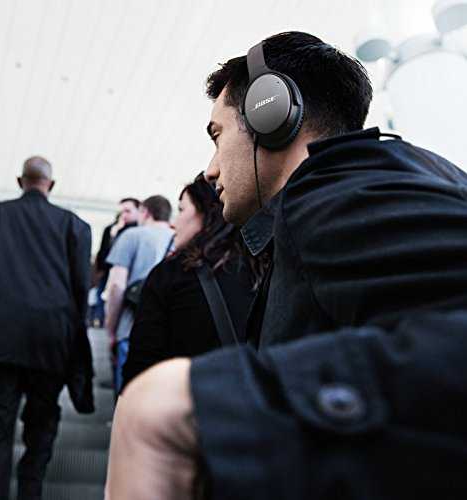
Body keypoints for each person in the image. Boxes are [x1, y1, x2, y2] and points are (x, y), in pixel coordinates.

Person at [105, 31, 467, 499]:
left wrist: (208, 404)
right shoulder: (383, 181)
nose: (210, 170)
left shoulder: (336, 194)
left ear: (271, 114)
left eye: (217, 136)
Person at [0, 156, 93, 500]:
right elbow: (81, 290)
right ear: (51, 185)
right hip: (50, 341)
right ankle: (30, 491)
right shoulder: (75, 226)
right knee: (41, 426)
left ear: (20, 181)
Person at [120, 175, 259, 389]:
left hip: (180, 402)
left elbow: (140, 367)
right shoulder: (261, 269)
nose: (174, 223)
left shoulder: (172, 273)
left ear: (207, 214)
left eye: (181, 210)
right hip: (242, 402)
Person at [105, 195, 174, 394]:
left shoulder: (131, 236)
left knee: (127, 396)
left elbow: (117, 285)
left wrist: (111, 330)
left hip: (130, 329)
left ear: (145, 212)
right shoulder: (179, 238)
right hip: (166, 335)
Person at [92, 198, 140, 327]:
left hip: (129, 275)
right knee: (102, 296)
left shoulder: (139, 231)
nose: (123, 215)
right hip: (108, 270)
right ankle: (100, 320)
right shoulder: (111, 229)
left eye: (127, 211)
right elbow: (103, 251)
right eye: (121, 212)